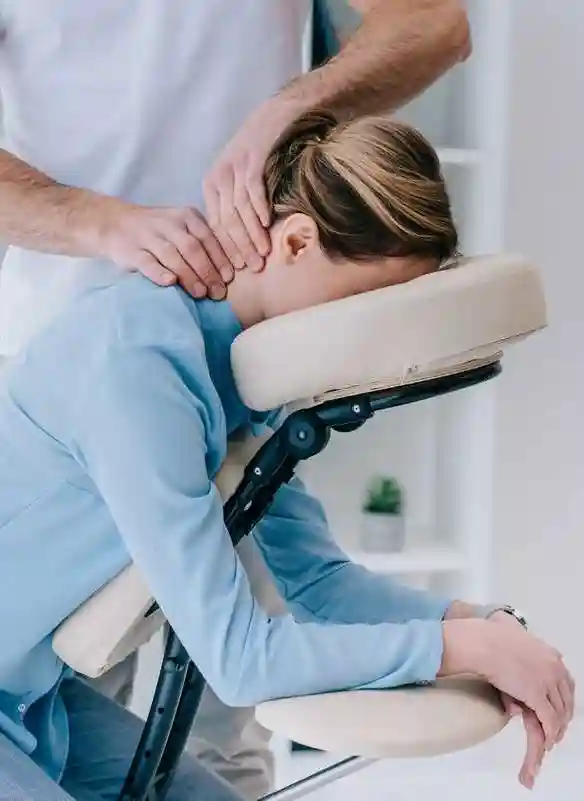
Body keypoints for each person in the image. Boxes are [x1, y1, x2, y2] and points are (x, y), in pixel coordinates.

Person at [0, 111, 575, 801]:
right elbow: (239, 659)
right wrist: (465, 651)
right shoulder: (138, 367)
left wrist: (484, 626)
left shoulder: (244, 377)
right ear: (297, 241)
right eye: (366, 304)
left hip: (32, 699)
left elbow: (322, 585)